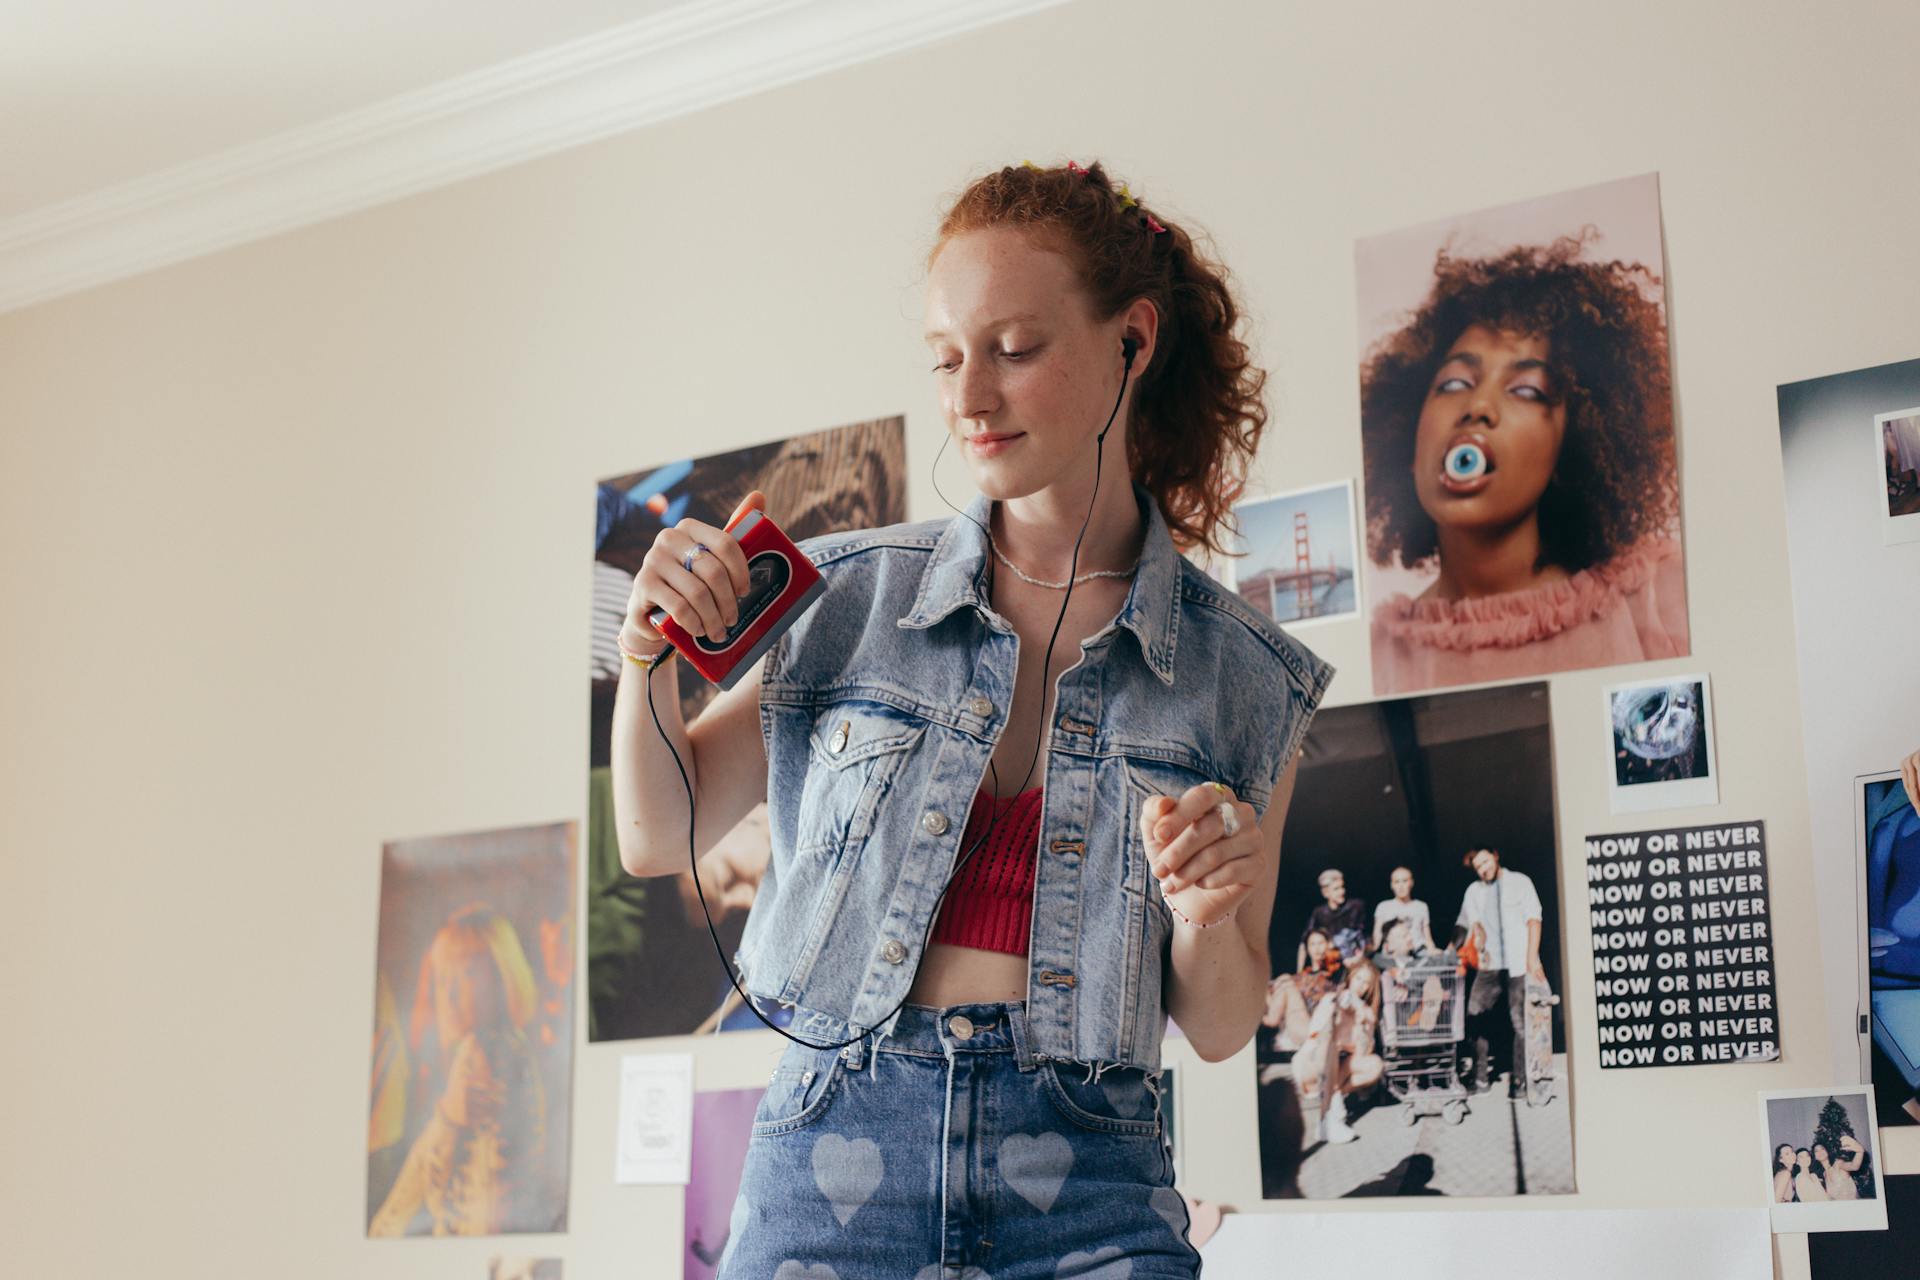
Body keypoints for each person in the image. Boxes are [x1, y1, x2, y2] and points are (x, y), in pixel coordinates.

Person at [608, 159, 1334, 1279]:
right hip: (834, 1147)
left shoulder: (1242, 674)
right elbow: (660, 834)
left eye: (1014, 347)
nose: (969, 398)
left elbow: (1226, 1018)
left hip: (1091, 1180)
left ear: (1132, 340)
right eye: (948, 356)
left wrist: (1201, 908)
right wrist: (647, 657)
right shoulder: (847, 595)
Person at [1360, 235, 1688, 696]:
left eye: (1527, 391)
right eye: (1454, 383)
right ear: (1409, 446)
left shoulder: (1659, 599)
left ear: (1571, 448)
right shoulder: (1375, 658)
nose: (1479, 406)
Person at [1454, 847, 1546, 1098]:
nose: (1483, 868)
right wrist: (1451, 949)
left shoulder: (1520, 882)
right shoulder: (1474, 891)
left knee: (1520, 1021)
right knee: (1474, 1017)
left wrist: (1531, 958)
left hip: (1518, 962)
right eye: (1478, 867)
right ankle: (1480, 1078)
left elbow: (1534, 919)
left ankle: (1520, 1081)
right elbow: (1465, 924)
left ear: (1496, 856)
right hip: (1489, 964)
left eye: (1485, 861)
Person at [1293, 960, 1385, 1145]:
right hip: (1311, 1065)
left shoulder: (1366, 1012)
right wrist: (1339, 1009)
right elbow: (1315, 1036)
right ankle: (1327, 1116)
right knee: (1330, 1041)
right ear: (1351, 977)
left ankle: (1333, 1102)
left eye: (1366, 983)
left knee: (1375, 1064)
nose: (1360, 985)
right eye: (1358, 978)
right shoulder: (1333, 999)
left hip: (1336, 1074)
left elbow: (1362, 1054)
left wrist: (1360, 1023)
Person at [1263, 928, 1344, 1053]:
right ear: (1307, 948)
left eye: (1321, 943)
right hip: (1299, 1023)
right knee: (1282, 980)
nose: (1317, 948)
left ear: (1329, 944)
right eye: (1312, 944)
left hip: (1316, 1028)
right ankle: (1271, 1021)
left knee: (1286, 983)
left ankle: (1270, 1020)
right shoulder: (1303, 975)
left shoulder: (1335, 971)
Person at [1299, 868, 1370, 969]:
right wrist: (1300, 972)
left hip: (1355, 960)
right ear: (1325, 893)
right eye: (1336, 889)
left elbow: (1362, 938)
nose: (1342, 892)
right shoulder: (1319, 912)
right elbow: (1304, 942)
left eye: (1342, 887)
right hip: (1330, 964)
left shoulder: (1356, 906)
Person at [1372, 865, 1438, 953]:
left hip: (1419, 952)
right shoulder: (1383, 906)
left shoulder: (1421, 906)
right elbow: (1377, 933)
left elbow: (1427, 936)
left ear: (1411, 883)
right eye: (1397, 882)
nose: (1401, 886)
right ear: (1392, 885)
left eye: (1405, 881)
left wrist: (1433, 950)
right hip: (1392, 953)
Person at [1820, 1135, 1868, 1200]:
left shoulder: (1838, 1164)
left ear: (1827, 1151)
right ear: (1815, 1156)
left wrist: (1860, 1151)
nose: (1820, 1152)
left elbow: (1854, 1166)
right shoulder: (1824, 1173)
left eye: (1822, 1149)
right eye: (1816, 1151)